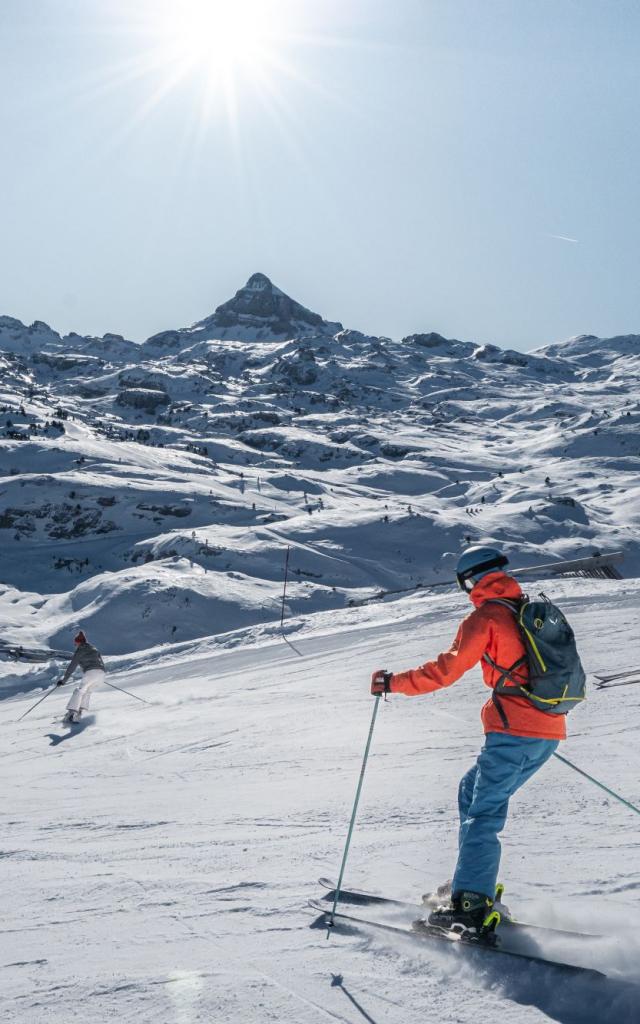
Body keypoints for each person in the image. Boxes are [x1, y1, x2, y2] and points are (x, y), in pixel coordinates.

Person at [371, 545, 566, 939]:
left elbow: (445, 671)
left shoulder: (487, 617)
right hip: (546, 730)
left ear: (470, 582)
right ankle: (467, 883)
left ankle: (471, 905)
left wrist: (393, 683)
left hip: (514, 731)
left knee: (483, 814)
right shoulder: (523, 609)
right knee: (470, 790)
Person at [56, 630, 105, 723]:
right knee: (87, 692)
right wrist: (99, 673)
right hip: (101, 673)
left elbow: (72, 667)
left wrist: (63, 681)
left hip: (91, 673)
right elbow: (100, 662)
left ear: (79, 642)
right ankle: (79, 712)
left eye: (75, 644)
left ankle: (71, 714)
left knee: (79, 691)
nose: (75, 645)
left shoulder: (80, 650)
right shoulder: (94, 648)